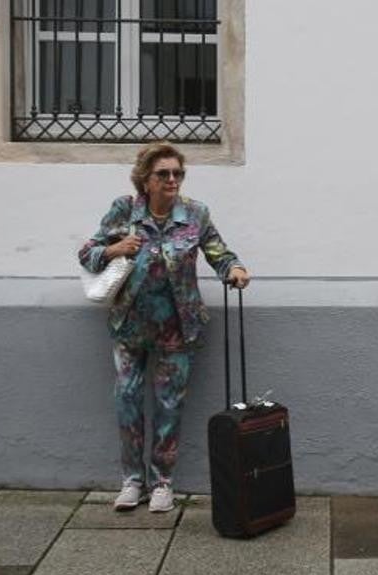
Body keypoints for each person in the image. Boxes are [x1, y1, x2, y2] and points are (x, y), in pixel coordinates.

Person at [78, 142, 250, 513]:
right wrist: (115, 248)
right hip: (130, 326)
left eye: (178, 173)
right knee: (127, 401)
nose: (172, 180)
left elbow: (219, 252)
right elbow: (86, 253)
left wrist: (233, 270)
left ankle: (162, 483)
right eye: (164, 174)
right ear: (146, 179)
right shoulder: (124, 210)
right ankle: (132, 481)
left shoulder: (195, 214)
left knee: (169, 405)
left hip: (178, 326)